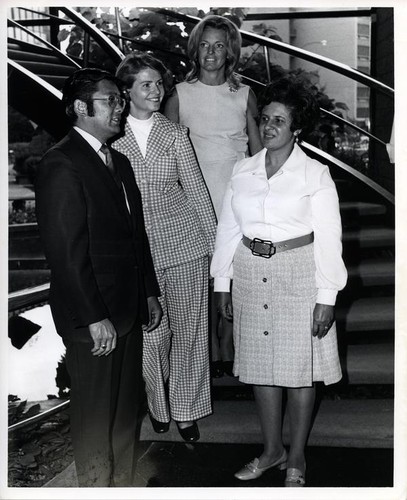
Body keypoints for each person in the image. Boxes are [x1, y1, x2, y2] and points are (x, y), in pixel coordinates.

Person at [210, 76, 347, 486]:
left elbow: (329, 238)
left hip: (299, 273)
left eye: (279, 121)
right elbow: (228, 229)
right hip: (251, 273)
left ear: (296, 128)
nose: (269, 127)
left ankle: (297, 458)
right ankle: (271, 452)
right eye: (265, 119)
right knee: (261, 369)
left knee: (298, 369)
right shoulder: (243, 169)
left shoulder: (315, 174)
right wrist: (222, 282)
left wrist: (327, 296)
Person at [35, 68, 162, 487]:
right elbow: (66, 253)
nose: (121, 107)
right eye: (111, 100)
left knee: (125, 415)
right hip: (93, 319)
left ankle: (121, 488)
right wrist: (93, 317)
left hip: (127, 309)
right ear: (80, 108)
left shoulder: (118, 161)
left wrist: (148, 293)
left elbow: (133, 235)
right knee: (94, 420)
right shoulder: (61, 163)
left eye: (120, 99)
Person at [113, 52, 217, 442]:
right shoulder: (112, 136)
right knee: (152, 334)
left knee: (190, 333)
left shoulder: (175, 134)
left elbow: (198, 194)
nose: (156, 91)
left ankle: (187, 411)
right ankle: (159, 405)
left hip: (185, 245)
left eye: (159, 83)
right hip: (139, 255)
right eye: (146, 84)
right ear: (127, 91)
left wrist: (215, 251)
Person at [164, 14, 262, 378]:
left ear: (230, 51)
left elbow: (256, 152)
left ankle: (231, 347)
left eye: (219, 45)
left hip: (234, 197)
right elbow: (167, 151)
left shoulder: (245, 94)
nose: (211, 52)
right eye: (204, 45)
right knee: (201, 278)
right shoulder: (179, 94)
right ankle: (204, 352)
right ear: (195, 49)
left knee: (234, 274)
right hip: (192, 200)